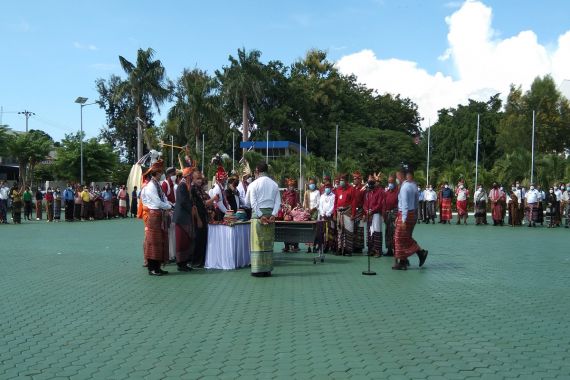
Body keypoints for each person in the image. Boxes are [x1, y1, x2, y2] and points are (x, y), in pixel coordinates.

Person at [245, 162, 281, 277]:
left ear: (257, 171)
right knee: (268, 243)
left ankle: (257, 270)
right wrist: (273, 214)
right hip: (270, 216)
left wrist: (260, 215)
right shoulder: (274, 184)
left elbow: (250, 202)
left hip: (258, 217)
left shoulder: (253, 184)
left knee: (258, 243)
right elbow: (278, 202)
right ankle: (267, 269)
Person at [392, 165, 428, 270]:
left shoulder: (404, 187)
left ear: (400, 175)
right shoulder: (413, 185)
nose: (397, 178)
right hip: (412, 214)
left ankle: (419, 253)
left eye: (397, 175)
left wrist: (403, 219)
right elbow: (416, 202)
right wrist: (415, 215)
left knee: (398, 238)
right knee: (405, 238)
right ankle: (404, 260)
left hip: (405, 214)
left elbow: (405, 205)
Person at [140, 160, 172, 276]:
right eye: (160, 173)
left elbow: (163, 198)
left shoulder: (156, 184)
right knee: (153, 242)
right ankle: (152, 268)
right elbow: (158, 202)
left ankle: (157, 267)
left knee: (160, 241)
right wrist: (169, 206)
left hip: (159, 215)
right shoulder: (150, 187)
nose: (161, 174)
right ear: (155, 173)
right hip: (154, 215)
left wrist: (169, 205)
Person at [173, 168, 199, 272]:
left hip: (185, 217)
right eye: (191, 175)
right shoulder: (182, 186)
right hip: (181, 218)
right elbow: (183, 201)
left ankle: (185, 262)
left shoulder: (186, 185)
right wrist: (191, 208)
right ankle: (181, 264)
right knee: (181, 242)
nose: (192, 177)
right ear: (187, 176)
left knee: (186, 241)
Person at [190, 170, 212, 268]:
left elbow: (205, 202)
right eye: (197, 179)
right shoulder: (193, 189)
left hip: (203, 216)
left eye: (200, 178)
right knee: (198, 239)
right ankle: (195, 261)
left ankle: (201, 260)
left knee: (203, 239)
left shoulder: (200, 189)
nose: (199, 180)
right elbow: (195, 206)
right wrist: (198, 219)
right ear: (193, 179)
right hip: (197, 218)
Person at [364, 174, 385, 257]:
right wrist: (366, 210)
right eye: (369, 181)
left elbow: (379, 204)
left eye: (372, 180)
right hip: (369, 214)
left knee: (376, 231)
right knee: (369, 232)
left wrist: (372, 211)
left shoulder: (379, 191)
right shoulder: (368, 192)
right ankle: (371, 250)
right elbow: (365, 203)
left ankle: (378, 251)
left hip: (376, 214)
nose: (370, 182)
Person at [334, 174, 354, 256]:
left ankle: (348, 250)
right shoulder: (338, 190)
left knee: (348, 231)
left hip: (348, 212)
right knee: (340, 231)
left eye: (343, 180)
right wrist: (334, 214)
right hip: (339, 213)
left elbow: (354, 202)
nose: (341, 182)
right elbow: (335, 203)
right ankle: (339, 248)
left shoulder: (351, 189)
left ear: (346, 181)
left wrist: (353, 214)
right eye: (341, 180)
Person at [282, 178, 300, 253]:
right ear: (288, 186)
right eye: (290, 185)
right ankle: (286, 246)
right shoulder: (285, 194)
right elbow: (283, 203)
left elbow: (298, 203)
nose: (291, 187)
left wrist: (295, 210)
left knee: (295, 230)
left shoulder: (296, 194)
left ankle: (295, 246)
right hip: (286, 214)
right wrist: (285, 209)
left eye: (292, 185)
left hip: (294, 214)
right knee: (286, 230)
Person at [303, 178, 320, 253]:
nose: (311, 185)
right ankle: (309, 247)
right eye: (310, 184)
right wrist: (306, 209)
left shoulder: (317, 192)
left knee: (314, 229)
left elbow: (318, 202)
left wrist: (313, 209)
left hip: (315, 212)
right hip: (307, 212)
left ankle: (314, 246)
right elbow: (304, 202)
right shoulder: (306, 192)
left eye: (312, 183)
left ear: (315, 184)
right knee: (308, 229)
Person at [351, 171, 366, 254]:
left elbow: (365, 201)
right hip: (353, 210)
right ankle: (354, 246)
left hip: (360, 210)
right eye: (354, 179)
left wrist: (364, 213)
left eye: (356, 179)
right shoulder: (353, 188)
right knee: (354, 229)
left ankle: (359, 247)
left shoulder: (363, 188)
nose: (354, 180)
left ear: (359, 179)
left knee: (360, 229)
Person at [383, 175, 399, 256]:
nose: (390, 184)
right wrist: (384, 215)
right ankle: (389, 250)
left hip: (395, 214)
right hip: (387, 215)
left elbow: (399, 205)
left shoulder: (398, 192)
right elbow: (384, 204)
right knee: (388, 232)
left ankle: (396, 250)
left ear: (395, 183)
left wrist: (396, 215)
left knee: (394, 233)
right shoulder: (386, 192)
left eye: (391, 182)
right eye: (389, 182)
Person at [318, 182, 335, 253]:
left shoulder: (333, 196)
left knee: (330, 232)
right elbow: (320, 206)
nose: (327, 189)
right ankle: (323, 246)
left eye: (328, 187)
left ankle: (330, 246)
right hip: (322, 216)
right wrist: (322, 213)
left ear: (331, 188)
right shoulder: (322, 196)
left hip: (329, 216)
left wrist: (328, 213)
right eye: (326, 187)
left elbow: (333, 206)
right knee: (323, 232)